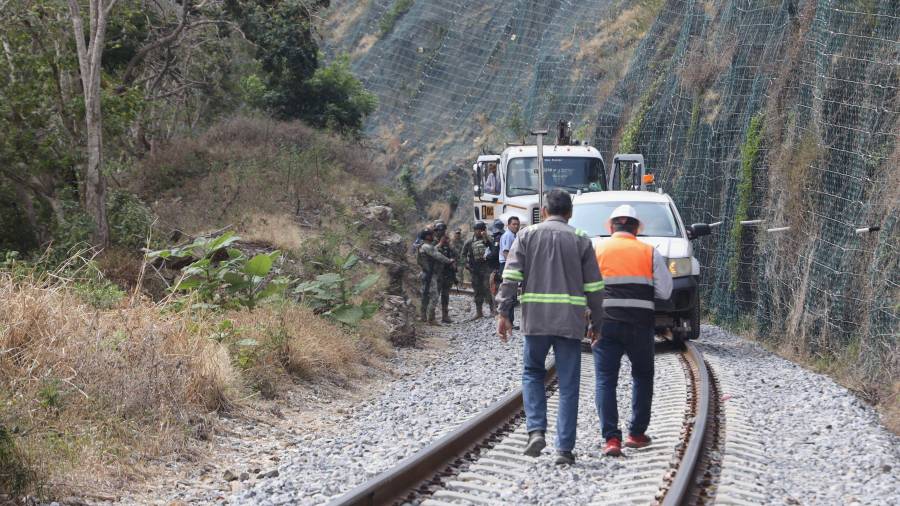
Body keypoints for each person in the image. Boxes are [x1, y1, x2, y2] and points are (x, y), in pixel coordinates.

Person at [496, 189, 605, 465]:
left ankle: (536, 430)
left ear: (543, 211)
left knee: (532, 374)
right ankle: (564, 450)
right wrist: (597, 323)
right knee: (568, 385)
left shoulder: (527, 235)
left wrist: (504, 313)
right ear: (570, 213)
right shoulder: (580, 239)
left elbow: (510, 277)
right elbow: (594, 287)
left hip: (536, 320)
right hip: (569, 322)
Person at [592, 204, 672, 457]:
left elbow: (585, 287)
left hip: (605, 324)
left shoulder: (597, 249)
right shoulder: (649, 252)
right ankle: (636, 434)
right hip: (640, 324)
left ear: (610, 226)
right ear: (637, 228)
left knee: (606, 380)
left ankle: (611, 440)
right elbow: (665, 291)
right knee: (642, 376)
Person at [416, 228, 454, 324]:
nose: (433, 236)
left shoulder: (423, 246)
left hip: (426, 273)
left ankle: (423, 317)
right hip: (429, 274)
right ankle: (431, 319)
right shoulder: (427, 247)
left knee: (425, 296)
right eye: (431, 235)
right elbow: (437, 255)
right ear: (427, 236)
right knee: (434, 296)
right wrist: (449, 261)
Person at [461, 221, 494, 318]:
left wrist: (486, 237)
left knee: (488, 288)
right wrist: (465, 264)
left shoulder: (489, 239)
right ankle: (479, 312)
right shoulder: (469, 242)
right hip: (474, 269)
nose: (479, 232)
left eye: (481, 230)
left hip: (486, 268)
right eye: (477, 230)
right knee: (477, 290)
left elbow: (494, 248)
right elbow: (463, 254)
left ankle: (492, 310)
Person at [498, 216, 520, 327]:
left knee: (511, 296)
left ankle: (510, 321)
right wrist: (511, 266)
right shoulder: (508, 236)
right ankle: (508, 322)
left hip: (509, 265)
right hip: (507, 265)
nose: (516, 226)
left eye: (517, 224)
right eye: (514, 224)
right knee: (509, 295)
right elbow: (506, 252)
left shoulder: (514, 235)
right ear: (508, 225)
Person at [436, 231, 459, 323]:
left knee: (445, 296)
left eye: (447, 238)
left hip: (448, 275)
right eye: (444, 238)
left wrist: (450, 246)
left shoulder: (450, 248)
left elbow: (457, 255)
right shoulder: (436, 247)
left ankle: (445, 316)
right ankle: (431, 317)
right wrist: (440, 244)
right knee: (435, 296)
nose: (446, 240)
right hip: (438, 275)